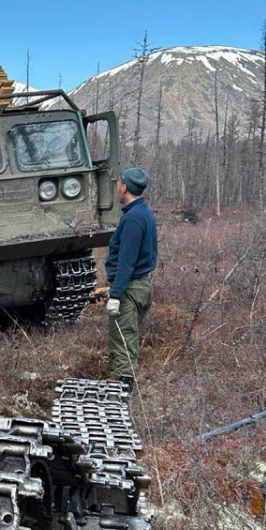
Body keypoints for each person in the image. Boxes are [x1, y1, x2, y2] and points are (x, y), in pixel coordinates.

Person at [105, 166, 157, 392]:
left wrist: (115, 295)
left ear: (124, 187)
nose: (117, 188)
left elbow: (126, 262)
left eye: (118, 184)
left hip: (130, 288)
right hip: (141, 286)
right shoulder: (143, 212)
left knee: (124, 341)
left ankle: (124, 395)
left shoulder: (134, 219)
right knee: (127, 339)